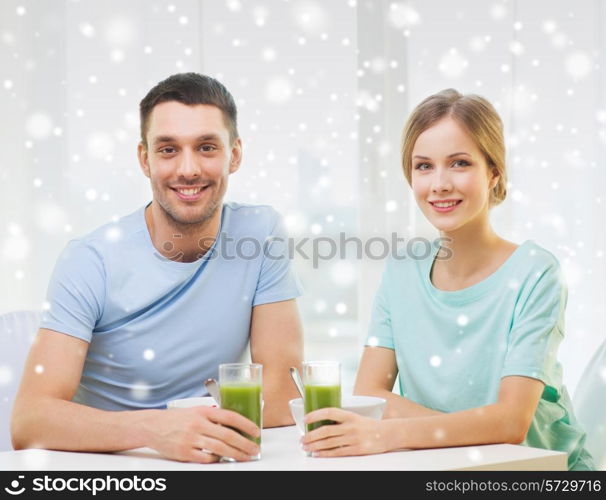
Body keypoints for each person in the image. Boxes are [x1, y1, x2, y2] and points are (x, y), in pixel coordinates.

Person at [11, 73, 304, 463]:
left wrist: (198, 429)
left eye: (206, 147)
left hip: (214, 458)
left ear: (234, 155)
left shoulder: (259, 234)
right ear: (144, 159)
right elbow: (29, 421)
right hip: (114, 468)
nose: (188, 169)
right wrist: (155, 429)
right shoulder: (90, 259)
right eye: (168, 149)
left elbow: (284, 394)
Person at [302, 89, 595, 470]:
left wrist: (390, 433)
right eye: (423, 166)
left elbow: (510, 422)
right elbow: (370, 393)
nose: (439, 183)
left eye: (459, 163)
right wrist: (467, 430)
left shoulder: (536, 273)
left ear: (494, 172)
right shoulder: (402, 270)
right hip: (446, 467)